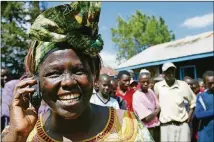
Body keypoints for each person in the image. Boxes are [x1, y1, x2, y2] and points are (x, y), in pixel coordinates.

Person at [2, 2, 153, 142]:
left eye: (79, 71)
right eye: (54, 73)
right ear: (36, 81)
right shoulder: (24, 133)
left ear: (94, 74)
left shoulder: (129, 128)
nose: (68, 82)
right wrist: (18, 135)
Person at [154, 62, 196, 142]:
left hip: (182, 125)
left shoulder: (183, 85)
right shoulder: (158, 86)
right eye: (168, 72)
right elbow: (155, 104)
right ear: (163, 73)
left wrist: (189, 116)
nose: (170, 74)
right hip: (165, 127)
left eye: (172, 71)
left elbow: (193, 101)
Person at [133, 71, 160, 142]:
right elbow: (147, 118)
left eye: (147, 82)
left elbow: (158, 105)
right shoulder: (136, 96)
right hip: (146, 130)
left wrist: (155, 111)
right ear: (139, 82)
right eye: (143, 82)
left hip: (156, 127)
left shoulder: (150, 91)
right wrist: (157, 110)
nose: (145, 84)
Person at [195, 71, 214, 142]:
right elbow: (198, 114)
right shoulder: (201, 96)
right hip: (207, 132)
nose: (213, 85)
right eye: (210, 83)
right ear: (205, 84)